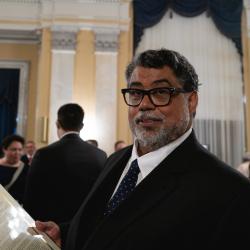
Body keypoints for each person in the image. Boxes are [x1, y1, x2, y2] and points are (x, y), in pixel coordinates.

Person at [35, 49, 250, 249]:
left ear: (191, 101)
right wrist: (65, 232)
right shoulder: (116, 159)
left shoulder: (229, 191)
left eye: (160, 92)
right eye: (136, 93)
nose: (144, 105)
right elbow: (104, 225)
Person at [24, 103, 107, 223]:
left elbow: (31, 199)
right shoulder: (100, 155)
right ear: (82, 126)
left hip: (51, 228)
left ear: (57, 124)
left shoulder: (44, 154)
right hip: (86, 227)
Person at [0, 134, 28, 204]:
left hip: (15, 209)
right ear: (4, 150)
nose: (17, 153)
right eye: (13, 149)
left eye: (20, 150)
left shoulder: (26, 169)